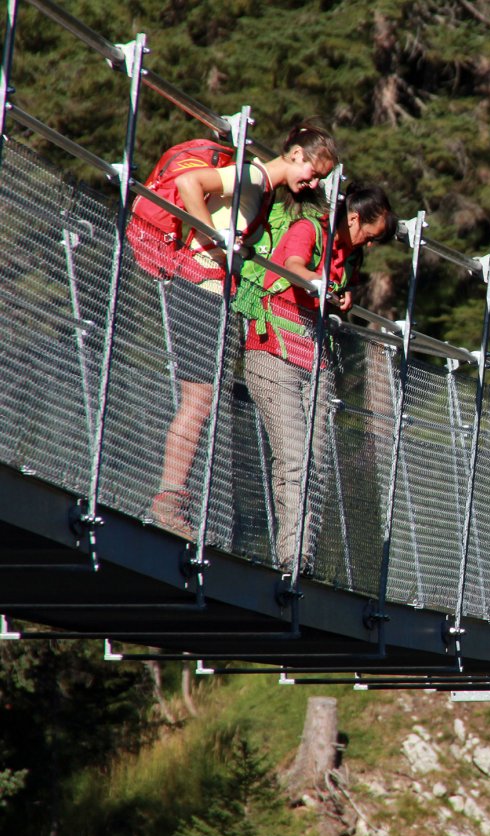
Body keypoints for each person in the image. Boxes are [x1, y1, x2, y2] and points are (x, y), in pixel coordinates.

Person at [149, 124, 340, 536]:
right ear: (294, 154)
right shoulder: (252, 176)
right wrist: (213, 235)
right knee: (198, 401)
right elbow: (188, 183)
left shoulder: (261, 189)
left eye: (321, 178)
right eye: (312, 171)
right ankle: (168, 504)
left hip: (210, 290)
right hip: (203, 287)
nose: (312, 182)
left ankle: (172, 501)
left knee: (202, 399)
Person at [242, 185, 393, 573]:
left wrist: (343, 297)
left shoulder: (347, 255)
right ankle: (292, 557)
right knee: (295, 458)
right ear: (354, 218)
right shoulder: (311, 229)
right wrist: (323, 282)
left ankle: (301, 556)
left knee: (317, 463)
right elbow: (293, 266)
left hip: (315, 360)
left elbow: (327, 288)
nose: (370, 245)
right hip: (273, 349)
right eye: (370, 235)